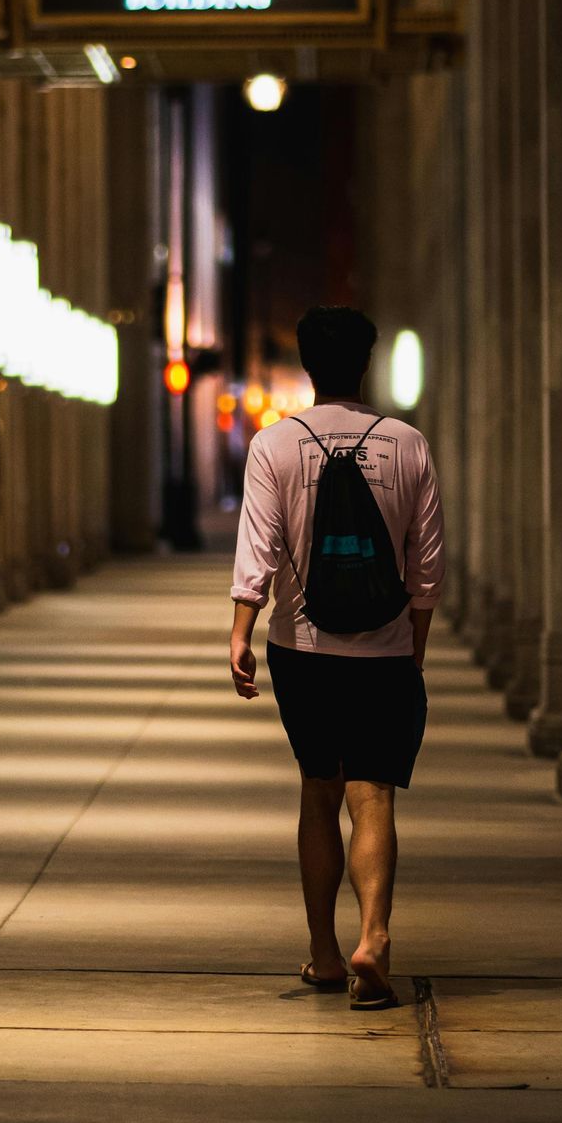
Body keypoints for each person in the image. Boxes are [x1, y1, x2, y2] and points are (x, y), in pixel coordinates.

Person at [228, 305, 446, 1012]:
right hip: (383, 648)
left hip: (303, 645)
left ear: (308, 365)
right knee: (373, 794)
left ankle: (325, 954)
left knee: (319, 790)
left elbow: (257, 550)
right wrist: (412, 648)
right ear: (366, 363)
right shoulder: (407, 444)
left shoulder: (275, 446)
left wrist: (240, 631)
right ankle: (373, 941)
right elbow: (429, 564)